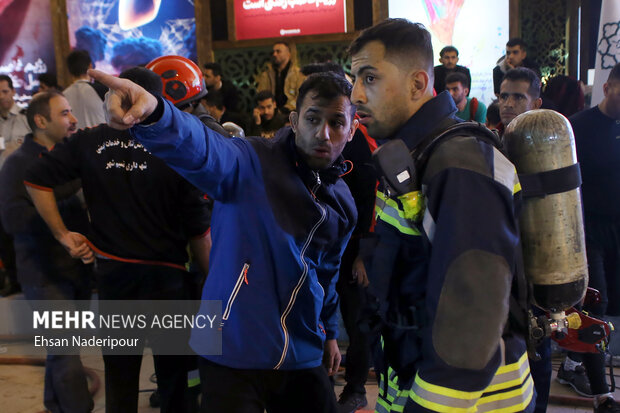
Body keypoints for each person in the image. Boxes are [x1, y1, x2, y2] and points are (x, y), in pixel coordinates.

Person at [88, 68, 359, 413]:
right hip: (227, 346)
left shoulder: (342, 202)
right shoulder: (250, 161)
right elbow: (203, 148)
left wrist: (330, 332)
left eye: (336, 122)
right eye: (312, 118)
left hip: (300, 351)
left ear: (352, 129)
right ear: (293, 120)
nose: (323, 133)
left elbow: (327, 274)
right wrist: (156, 112)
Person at [348, 18, 534, 412]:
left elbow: (472, 316)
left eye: (369, 78)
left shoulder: (459, 163)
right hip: (419, 383)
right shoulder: (419, 154)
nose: (355, 95)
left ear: (418, 83)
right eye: (354, 79)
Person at [24, 67, 212, 413]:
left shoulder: (89, 141)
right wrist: (216, 283)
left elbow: (36, 179)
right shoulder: (178, 146)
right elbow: (199, 229)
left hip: (116, 282)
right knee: (175, 382)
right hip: (167, 285)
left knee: (121, 379)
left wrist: (63, 235)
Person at [0, 90, 93, 413]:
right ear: (41, 121)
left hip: (76, 270)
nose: (74, 119)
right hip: (44, 272)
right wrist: (60, 219)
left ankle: (55, 405)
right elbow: (13, 220)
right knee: (66, 350)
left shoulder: (67, 158)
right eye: (65, 113)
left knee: (62, 349)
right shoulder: (17, 165)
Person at [562, 62, 620, 413]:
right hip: (587, 230)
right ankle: (602, 394)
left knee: (612, 306)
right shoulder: (579, 127)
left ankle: (572, 363)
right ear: (608, 87)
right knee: (594, 306)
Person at [256, 41, 305, 114]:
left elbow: (301, 97)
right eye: (274, 52)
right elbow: (261, 96)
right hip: (270, 113)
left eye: (278, 52)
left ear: (288, 54)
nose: (274, 54)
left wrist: (286, 108)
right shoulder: (266, 75)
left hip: (291, 112)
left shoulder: (298, 74)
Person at [63, 50, 106, 129]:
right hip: (102, 139)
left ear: (69, 70)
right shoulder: (103, 90)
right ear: (90, 66)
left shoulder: (62, 96)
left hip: (75, 140)